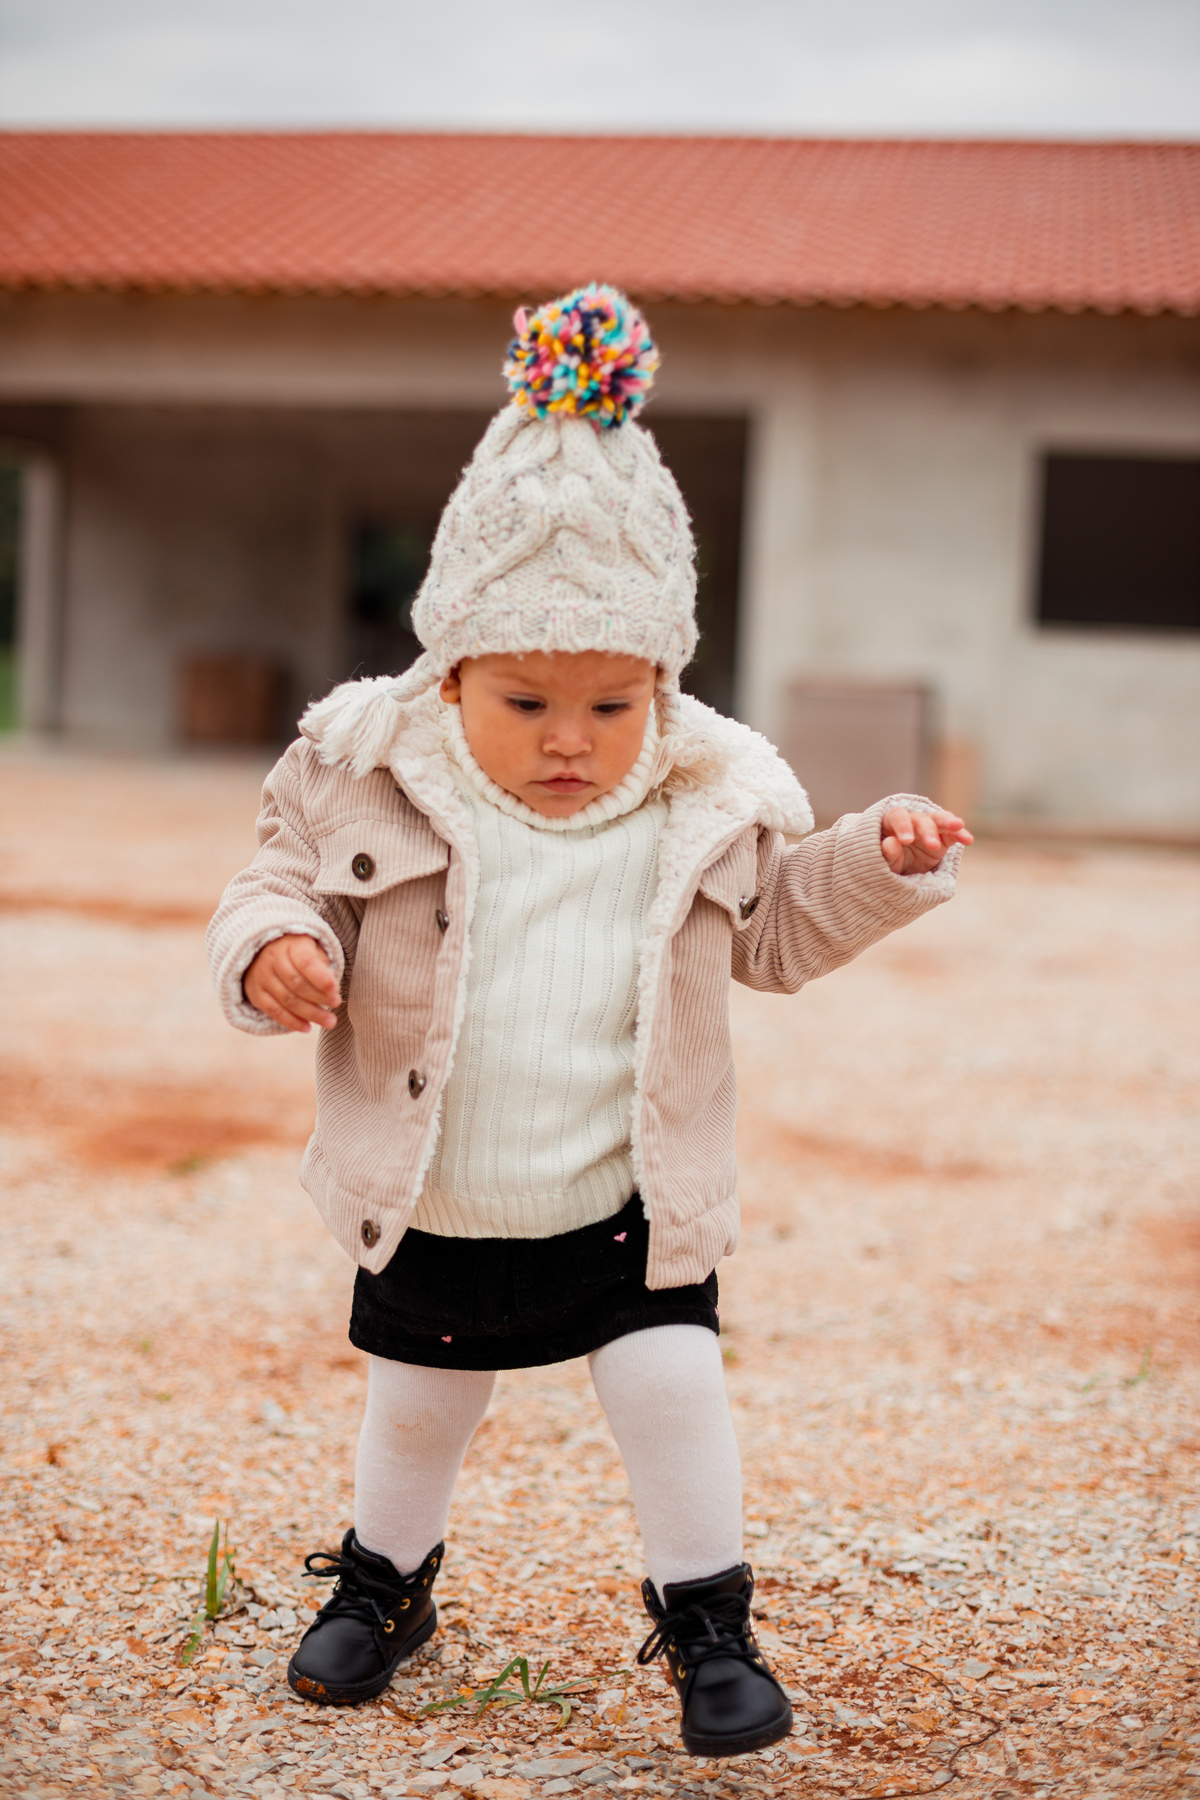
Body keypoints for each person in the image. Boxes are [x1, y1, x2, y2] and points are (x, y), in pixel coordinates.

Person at [207, 284, 971, 1759]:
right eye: (526, 703)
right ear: (450, 675)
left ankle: (711, 1625)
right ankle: (384, 1583)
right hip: (439, 1191)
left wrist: (875, 859)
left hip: (625, 1196)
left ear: (663, 686)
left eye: (613, 707)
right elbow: (274, 880)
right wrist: (275, 947)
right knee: (420, 1407)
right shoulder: (367, 771)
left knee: (673, 1389)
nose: (571, 740)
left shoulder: (702, 801)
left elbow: (775, 933)